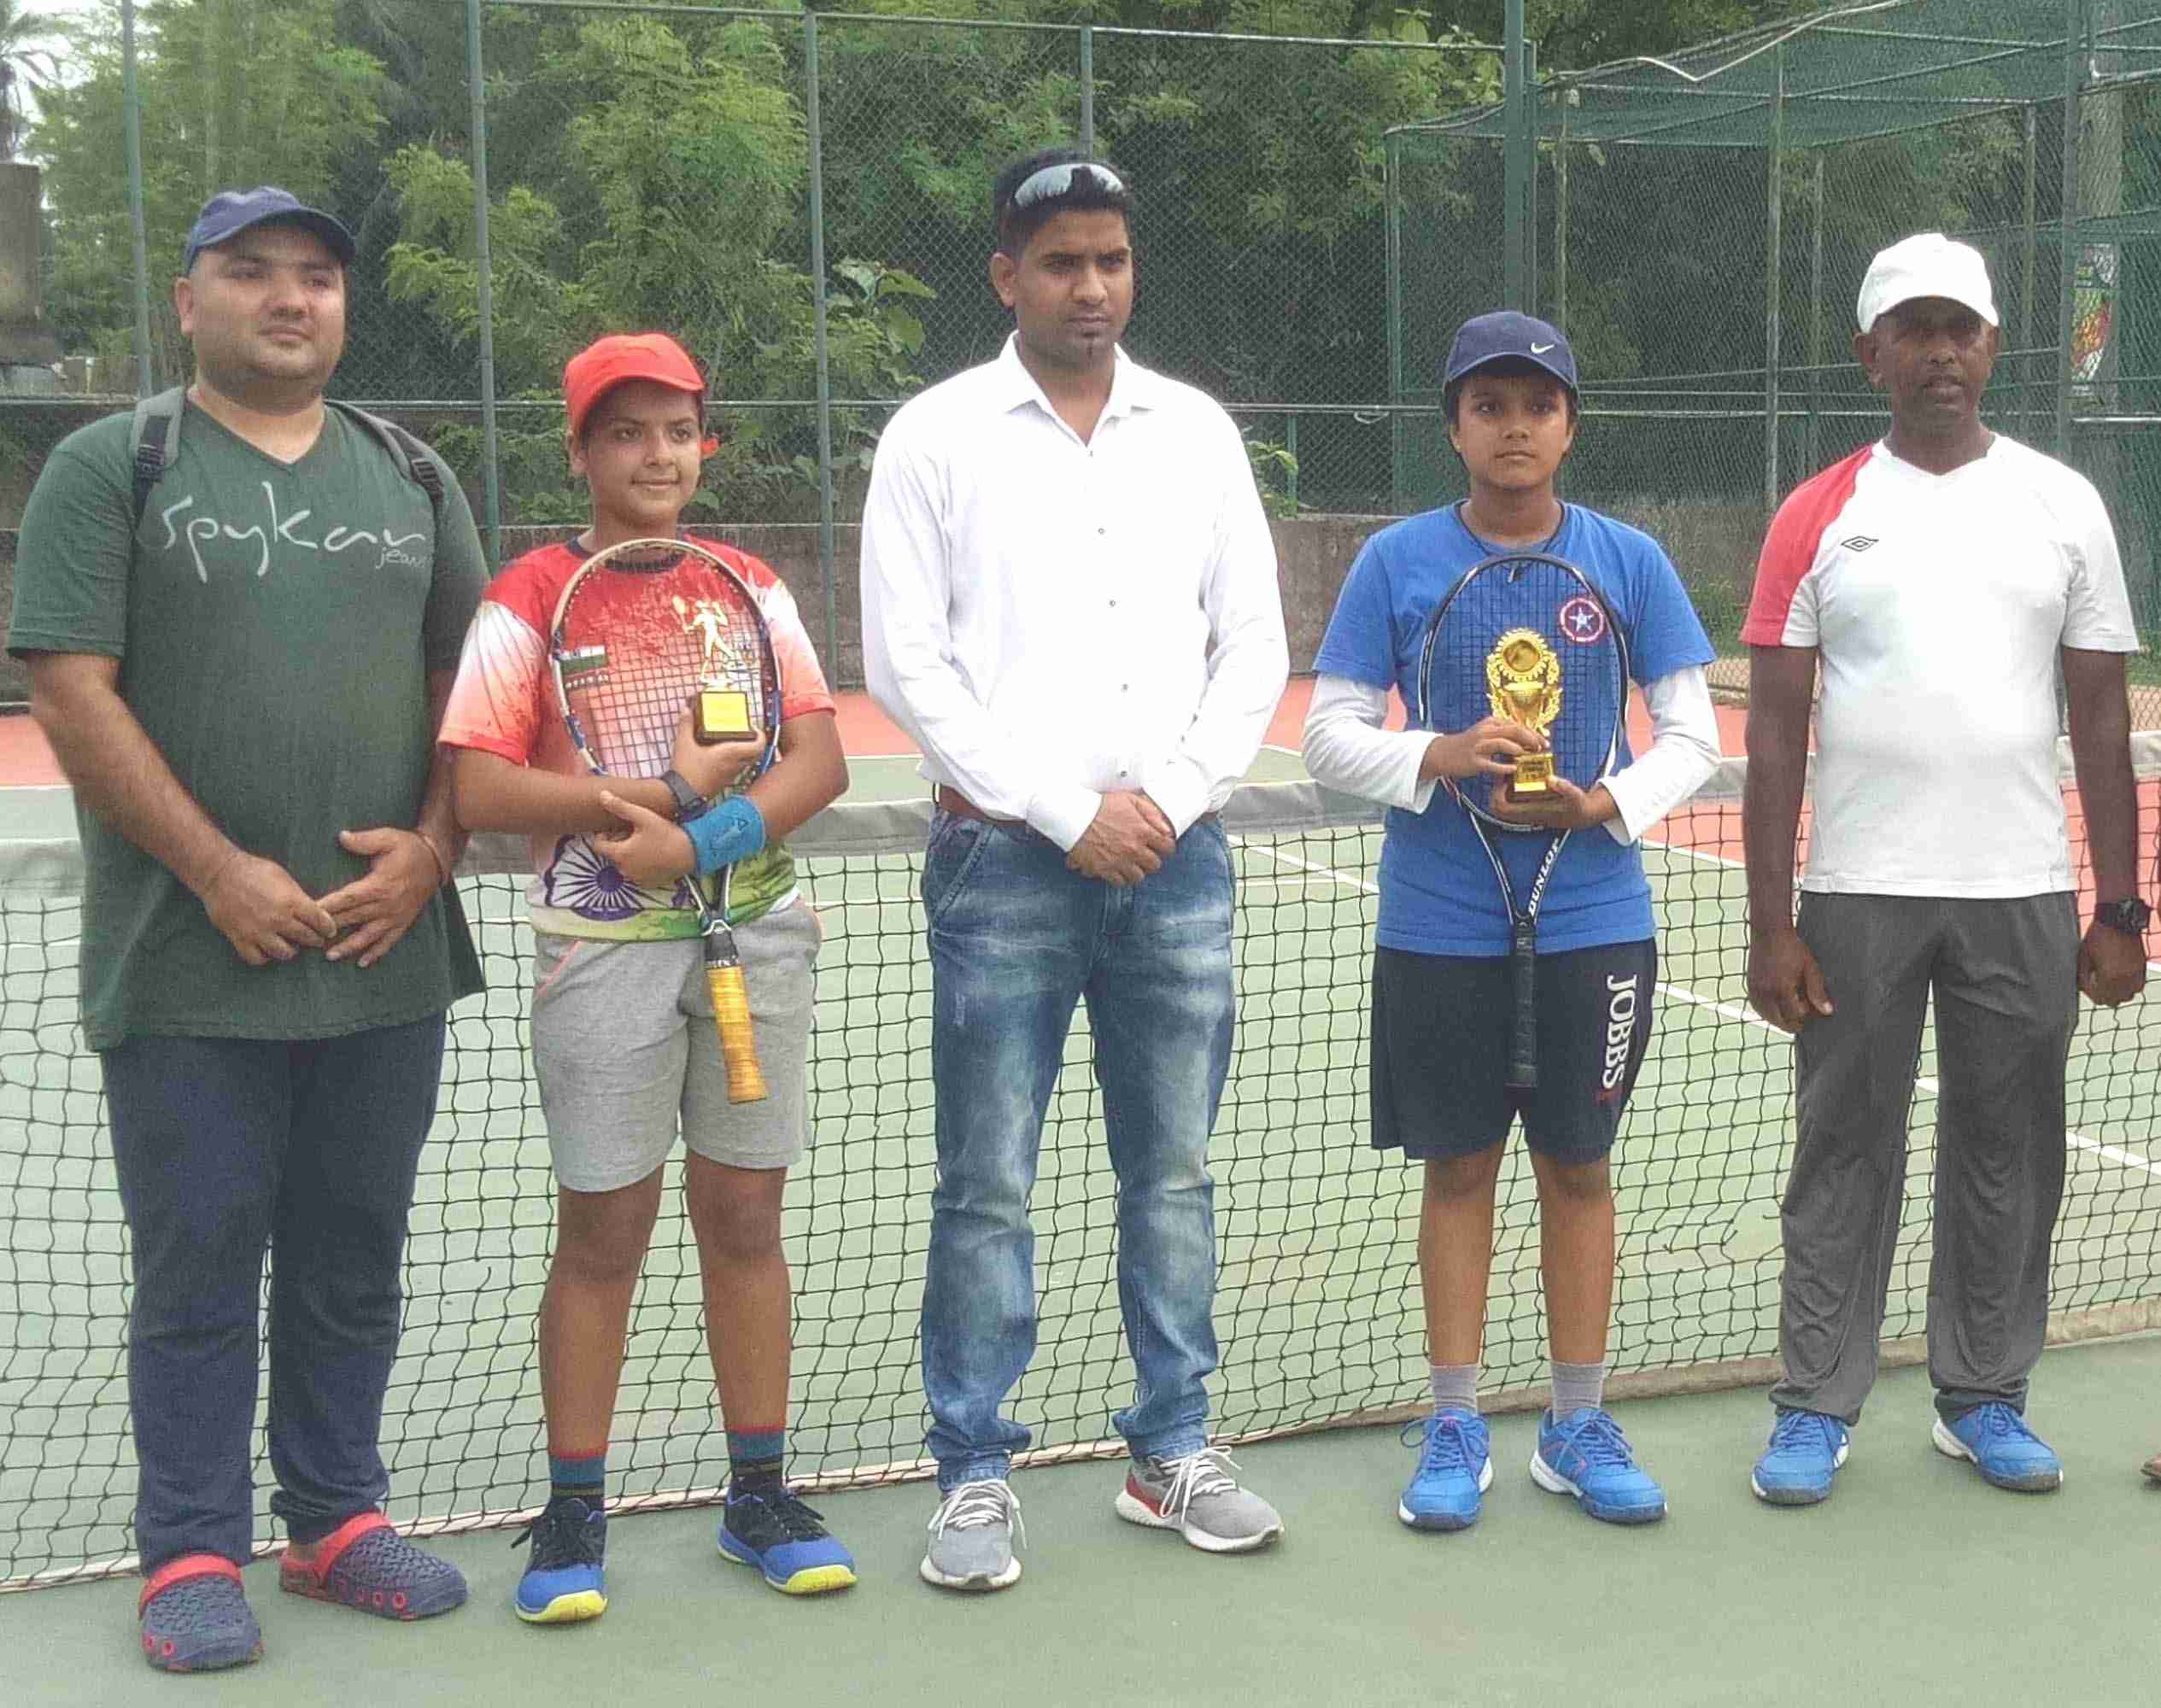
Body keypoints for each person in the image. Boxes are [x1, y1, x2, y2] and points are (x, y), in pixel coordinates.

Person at [8, 187, 487, 1671]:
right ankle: (191, 1551)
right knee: (199, 1262)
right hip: (185, 962)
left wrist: (430, 851)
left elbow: (478, 703)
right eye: (253, 274)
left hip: (382, 958)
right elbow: (69, 689)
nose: (292, 299)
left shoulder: (413, 475)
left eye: (318, 278)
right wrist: (217, 871)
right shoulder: (113, 465)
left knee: (353, 1253)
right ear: (188, 300)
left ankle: (336, 1520)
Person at [860, 147, 1291, 1592]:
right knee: (985, 1181)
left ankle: (1172, 1451)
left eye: (1109, 259)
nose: (1089, 286)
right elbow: (905, 664)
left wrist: (1161, 798)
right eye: (1060, 262)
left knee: (1169, 1173)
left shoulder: (1198, 431)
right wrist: (1063, 809)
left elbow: (1254, 649)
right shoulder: (932, 436)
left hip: (1178, 862)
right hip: (1002, 868)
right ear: (1004, 276)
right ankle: (973, 1472)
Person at [438, 333, 855, 1622]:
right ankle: (571, 1516)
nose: (657, 454)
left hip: (755, 942)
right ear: (581, 452)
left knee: (745, 1225)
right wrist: (662, 796)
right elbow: (482, 786)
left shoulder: (749, 586)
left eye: (677, 429)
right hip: (598, 955)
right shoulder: (529, 596)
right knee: (602, 1236)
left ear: (703, 443)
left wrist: (704, 840)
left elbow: (817, 763)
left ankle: (759, 1495)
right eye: (626, 433)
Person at [1742, 232, 2145, 1506]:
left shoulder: (2061, 503)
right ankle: (1815, 1403)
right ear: (1872, 356)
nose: (1938, 353)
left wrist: (2121, 906)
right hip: (1853, 897)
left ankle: (1981, 1399)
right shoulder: (1816, 510)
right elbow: (1771, 729)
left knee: (2007, 1153)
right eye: (1911, 331)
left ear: (1987, 346)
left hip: (2021, 896)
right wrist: (1770, 921)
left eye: (1958, 328)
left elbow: (2097, 720)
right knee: (1842, 1151)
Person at [1303, 311, 1719, 1533]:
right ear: (1454, 428)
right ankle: (1453, 1421)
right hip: (1438, 925)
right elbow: (1332, 738)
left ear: (1570, 424)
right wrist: (1434, 750)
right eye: (1488, 406)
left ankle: (1576, 1421)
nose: (1514, 426)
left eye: (1535, 404)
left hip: (1595, 918)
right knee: (1458, 1169)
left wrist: (1604, 799)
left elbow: (1690, 735)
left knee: (1579, 1170)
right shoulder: (1393, 562)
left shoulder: (1627, 560)